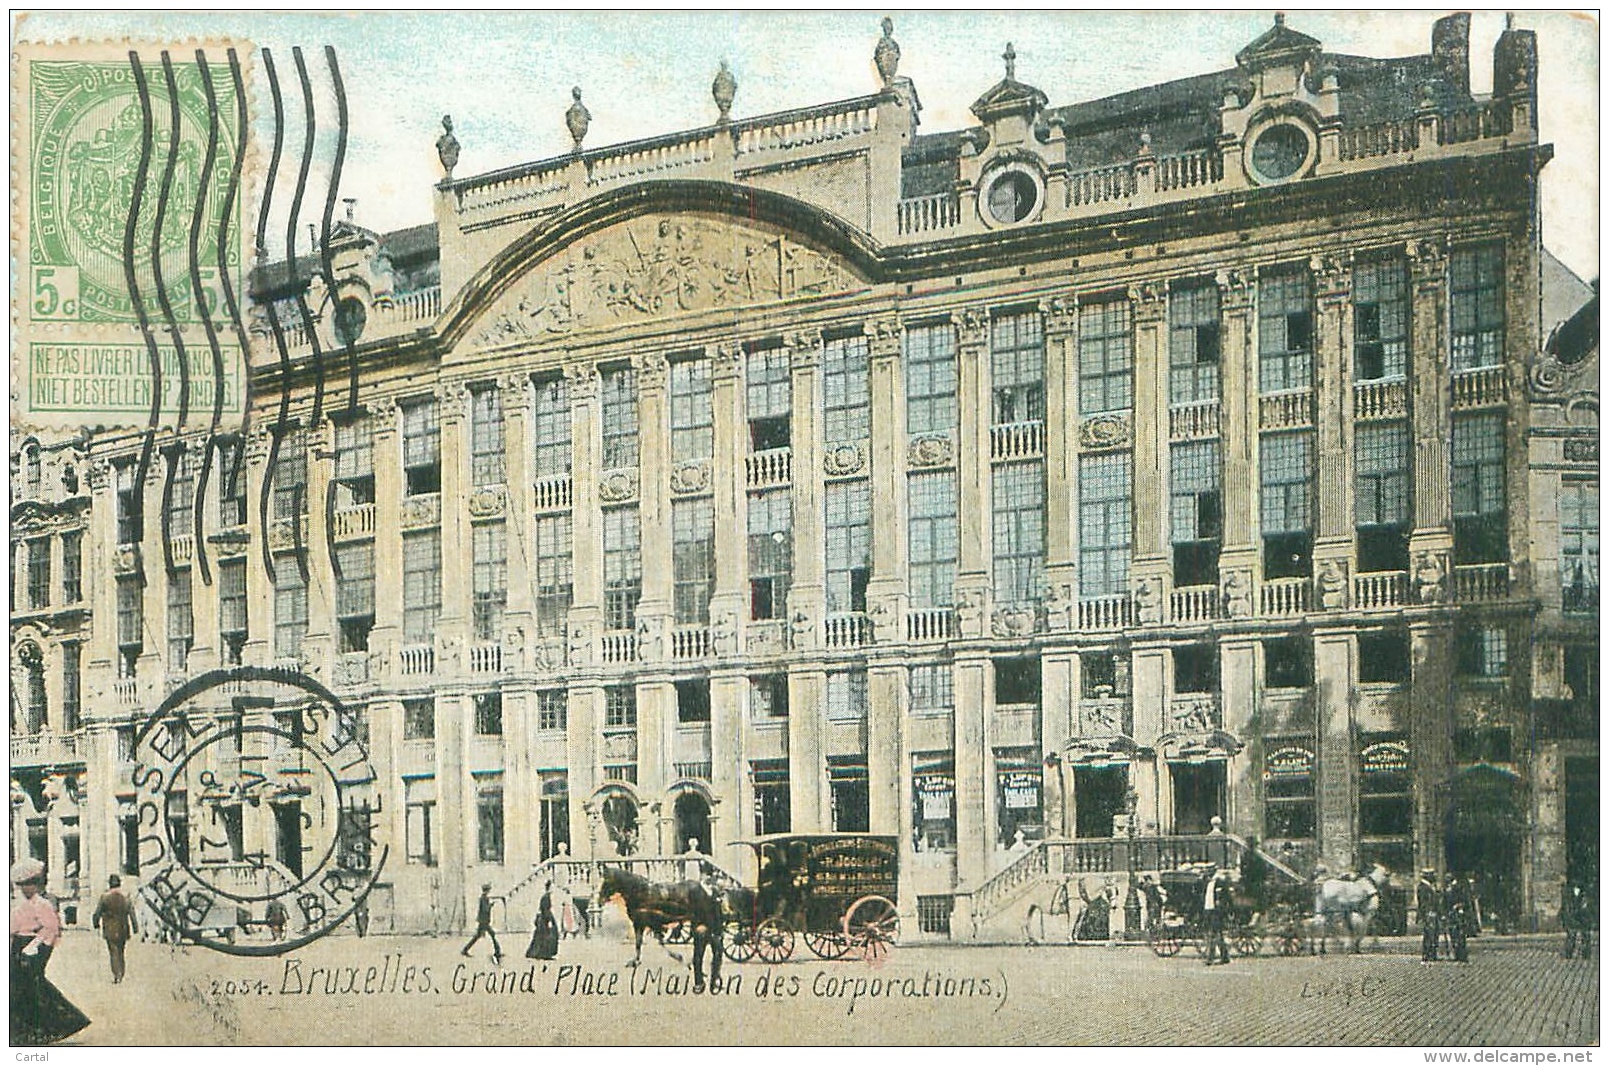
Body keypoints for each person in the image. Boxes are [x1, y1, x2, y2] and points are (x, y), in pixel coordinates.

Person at [10, 858, 90, 1045]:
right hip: (17, 946)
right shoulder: (19, 906)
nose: (24, 888)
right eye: (22, 885)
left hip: (33, 946)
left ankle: (57, 1024)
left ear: (36, 884)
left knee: (33, 986)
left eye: (28, 884)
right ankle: (19, 1030)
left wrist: (34, 946)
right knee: (16, 986)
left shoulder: (43, 904)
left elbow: (51, 929)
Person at [90, 875, 137, 983]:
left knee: (113, 952)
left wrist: (95, 923)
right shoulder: (126, 898)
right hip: (123, 928)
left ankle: (117, 974)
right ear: (119, 884)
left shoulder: (104, 897)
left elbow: (97, 913)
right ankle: (121, 972)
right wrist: (135, 928)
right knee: (121, 951)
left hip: (110, 929)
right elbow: (132, 913)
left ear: (110, 884)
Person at [462, 883, 502, 963]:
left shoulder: (483, 898)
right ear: (487, 890)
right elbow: (485, 909)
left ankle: (465, 949)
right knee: (492, 934)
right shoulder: (484, 898)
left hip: (483, 921)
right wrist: (491, 905)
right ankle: (497, 952)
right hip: (484, 921)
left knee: (477, 936)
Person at [1202, 867, 1232, 966]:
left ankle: (1210, 958)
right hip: (1209, 910)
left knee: (1213, 934)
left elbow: (1226, 897)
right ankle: (1225, 956)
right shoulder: (1208, 883)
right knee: (1217, 935)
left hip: (1216, 911)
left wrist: (1223, 908)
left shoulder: (1219, 882)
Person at [526, 882, 560, 960]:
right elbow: (545, 909)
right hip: (545, 918)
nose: (553, 889)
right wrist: (549, 920)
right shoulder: (546, 897)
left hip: (545, 917)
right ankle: (545, 953)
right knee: (547, 935)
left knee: (542, 936)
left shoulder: (546, 896)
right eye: (552, 887)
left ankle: (543, 953)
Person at [1563, 879, 1595, 960]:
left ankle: (1586, 954)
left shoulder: (1586, 893)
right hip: (1572, 916)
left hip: (1583, 917)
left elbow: (1588, 906)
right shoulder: (1568, 893)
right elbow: (1566, 905)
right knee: (1571, 935)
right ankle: (1569, 953)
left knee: (1585, 936)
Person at [1444, 873, 1471, 963]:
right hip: (1451, 915)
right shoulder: (1447, 888)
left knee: (1459, 935)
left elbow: (1464, 901)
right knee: (1453, 935)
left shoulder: (1458, 888)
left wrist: (1457, 906)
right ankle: (1457, 954)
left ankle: (1461, 955)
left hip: (1458, 915)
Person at [1416, 868, 1441, 964]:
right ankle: (1427, 954)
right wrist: (1427, 913)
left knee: (1434, 934)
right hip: (1429, 914)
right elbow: (1423, 902)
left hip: (1433, 913)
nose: (1434, 877)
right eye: (1432, 875)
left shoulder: (1430, 886)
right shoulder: (1423, 887)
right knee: (1429, 934)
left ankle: (1432, 954)